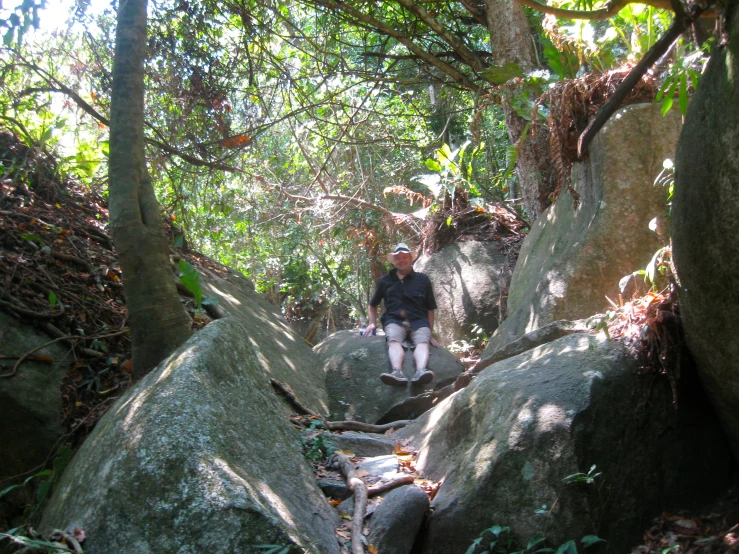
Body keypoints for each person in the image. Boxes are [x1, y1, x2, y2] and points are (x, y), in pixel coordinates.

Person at [362, 242, 440, 385]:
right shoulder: (384, 281)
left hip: (419, 321)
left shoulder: (423, 280)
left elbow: (430, 308)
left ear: (411, 259)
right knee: (393, 340)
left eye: (405, 257)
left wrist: (430, 331)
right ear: (394, 261)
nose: (401, 260)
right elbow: (372, 305)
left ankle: (421, 371)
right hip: (394, 321)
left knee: (422, 342)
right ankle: (397, 372)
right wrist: (372, 324)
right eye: (398, 258)